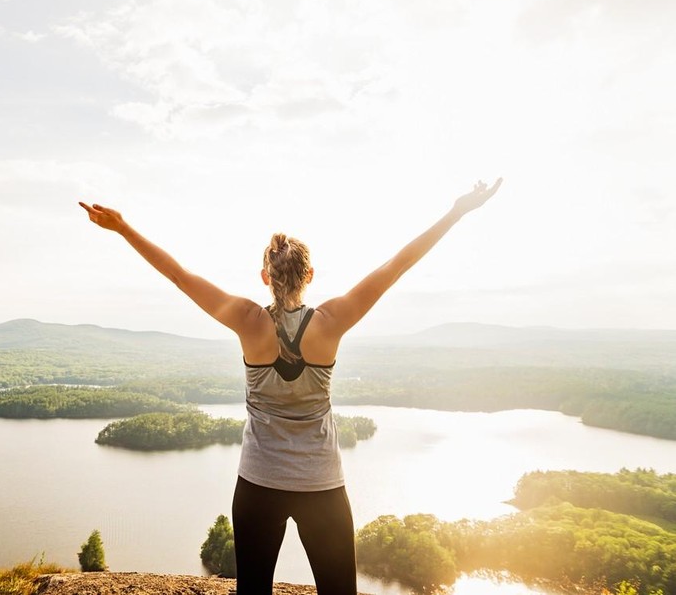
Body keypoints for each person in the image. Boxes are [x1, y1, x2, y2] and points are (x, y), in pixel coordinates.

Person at [78, 178, 502, 595]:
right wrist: (456, 211)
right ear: (310, 274)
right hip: (322, 485)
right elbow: (396, 267)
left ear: (265, 276)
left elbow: (178, 275)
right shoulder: (332, 322)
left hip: (258, 483)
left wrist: (123, 228)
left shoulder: (246, 320)